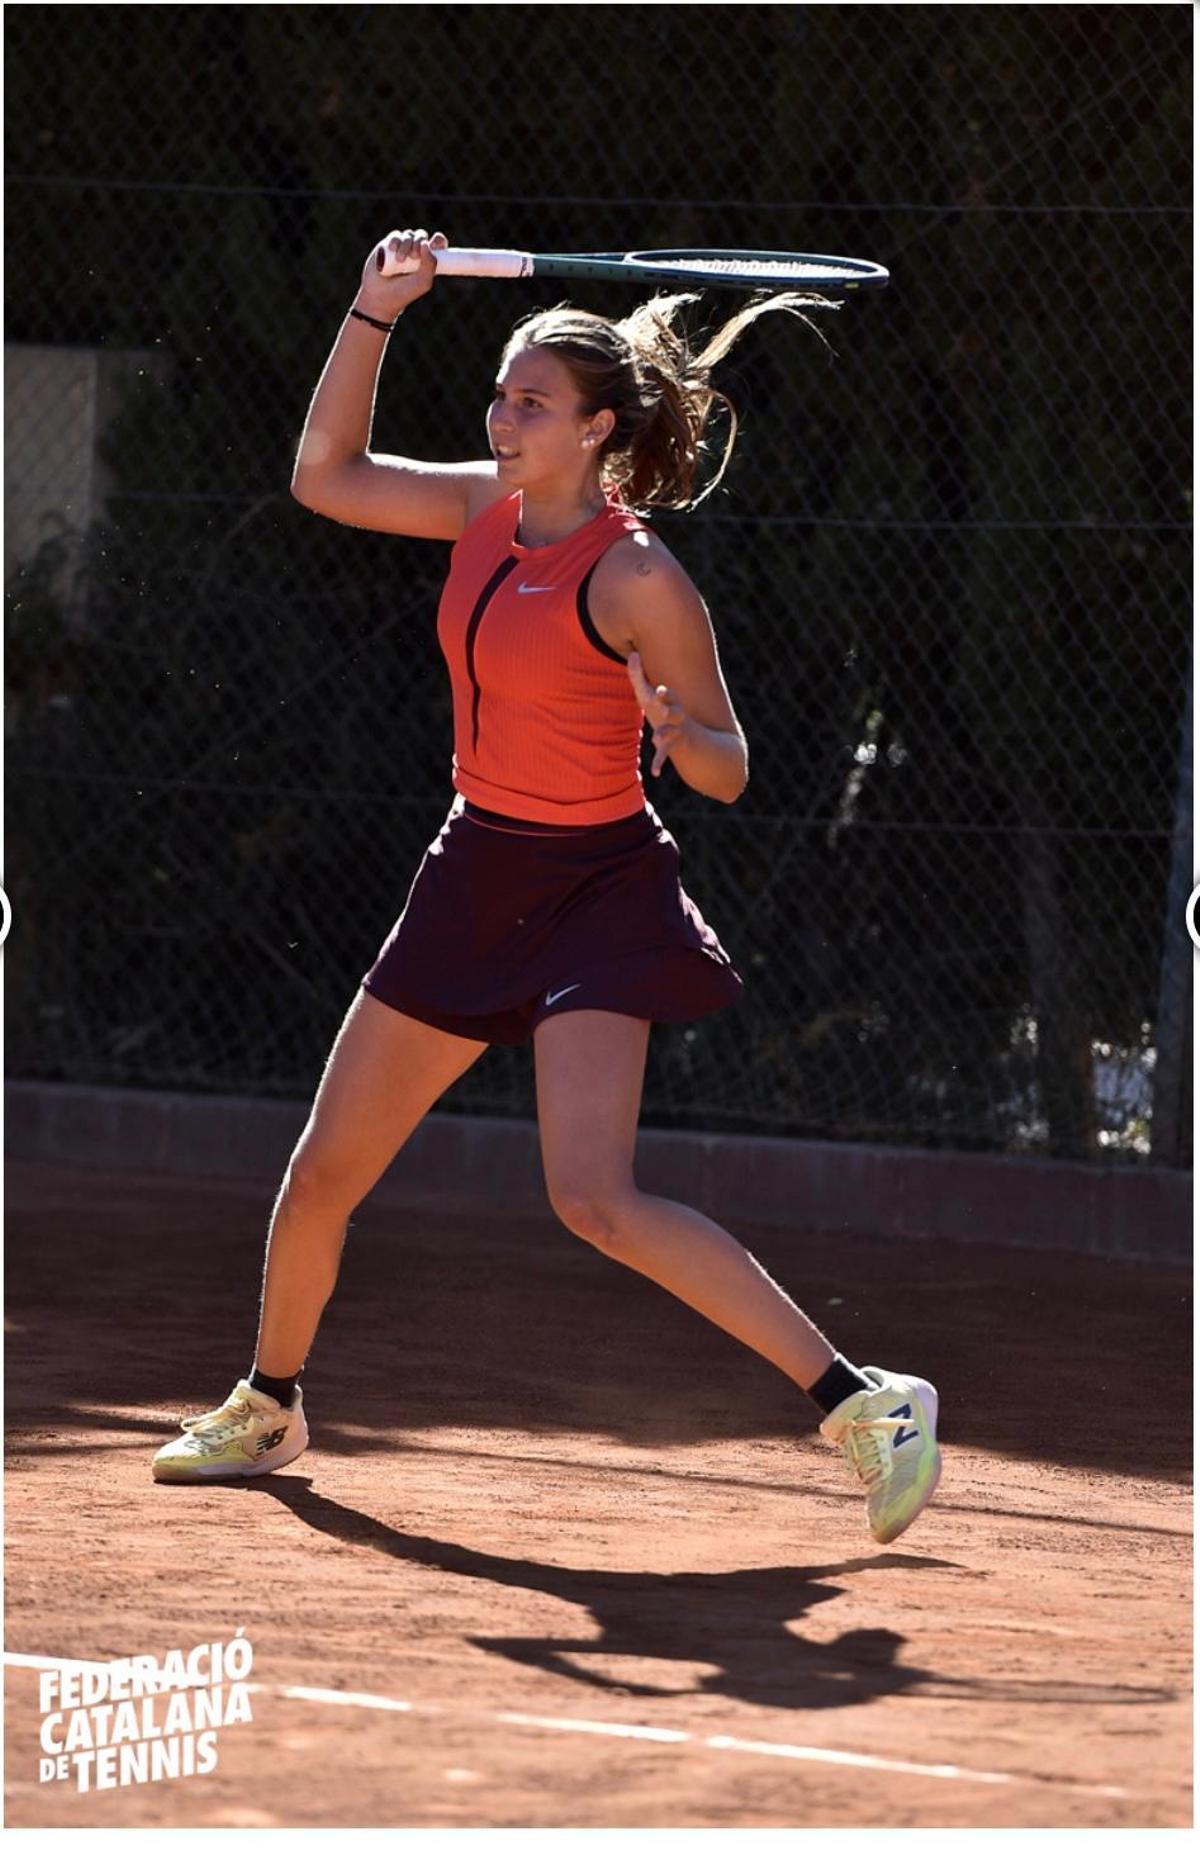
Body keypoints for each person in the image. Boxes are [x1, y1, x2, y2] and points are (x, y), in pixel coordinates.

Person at [153, 228, 941, 1545]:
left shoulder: (640, 577)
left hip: (599, 887)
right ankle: (272, 1399)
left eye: (531, 403)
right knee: (323, 1169)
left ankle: (863, 1402)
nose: (503, 417)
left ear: (594, 432)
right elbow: (325, 474)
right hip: (473, 871)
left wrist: (679, 735)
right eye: (500, 397)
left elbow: (731, 765)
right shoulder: (479, 510)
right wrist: (372, 306)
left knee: (593, 1197)